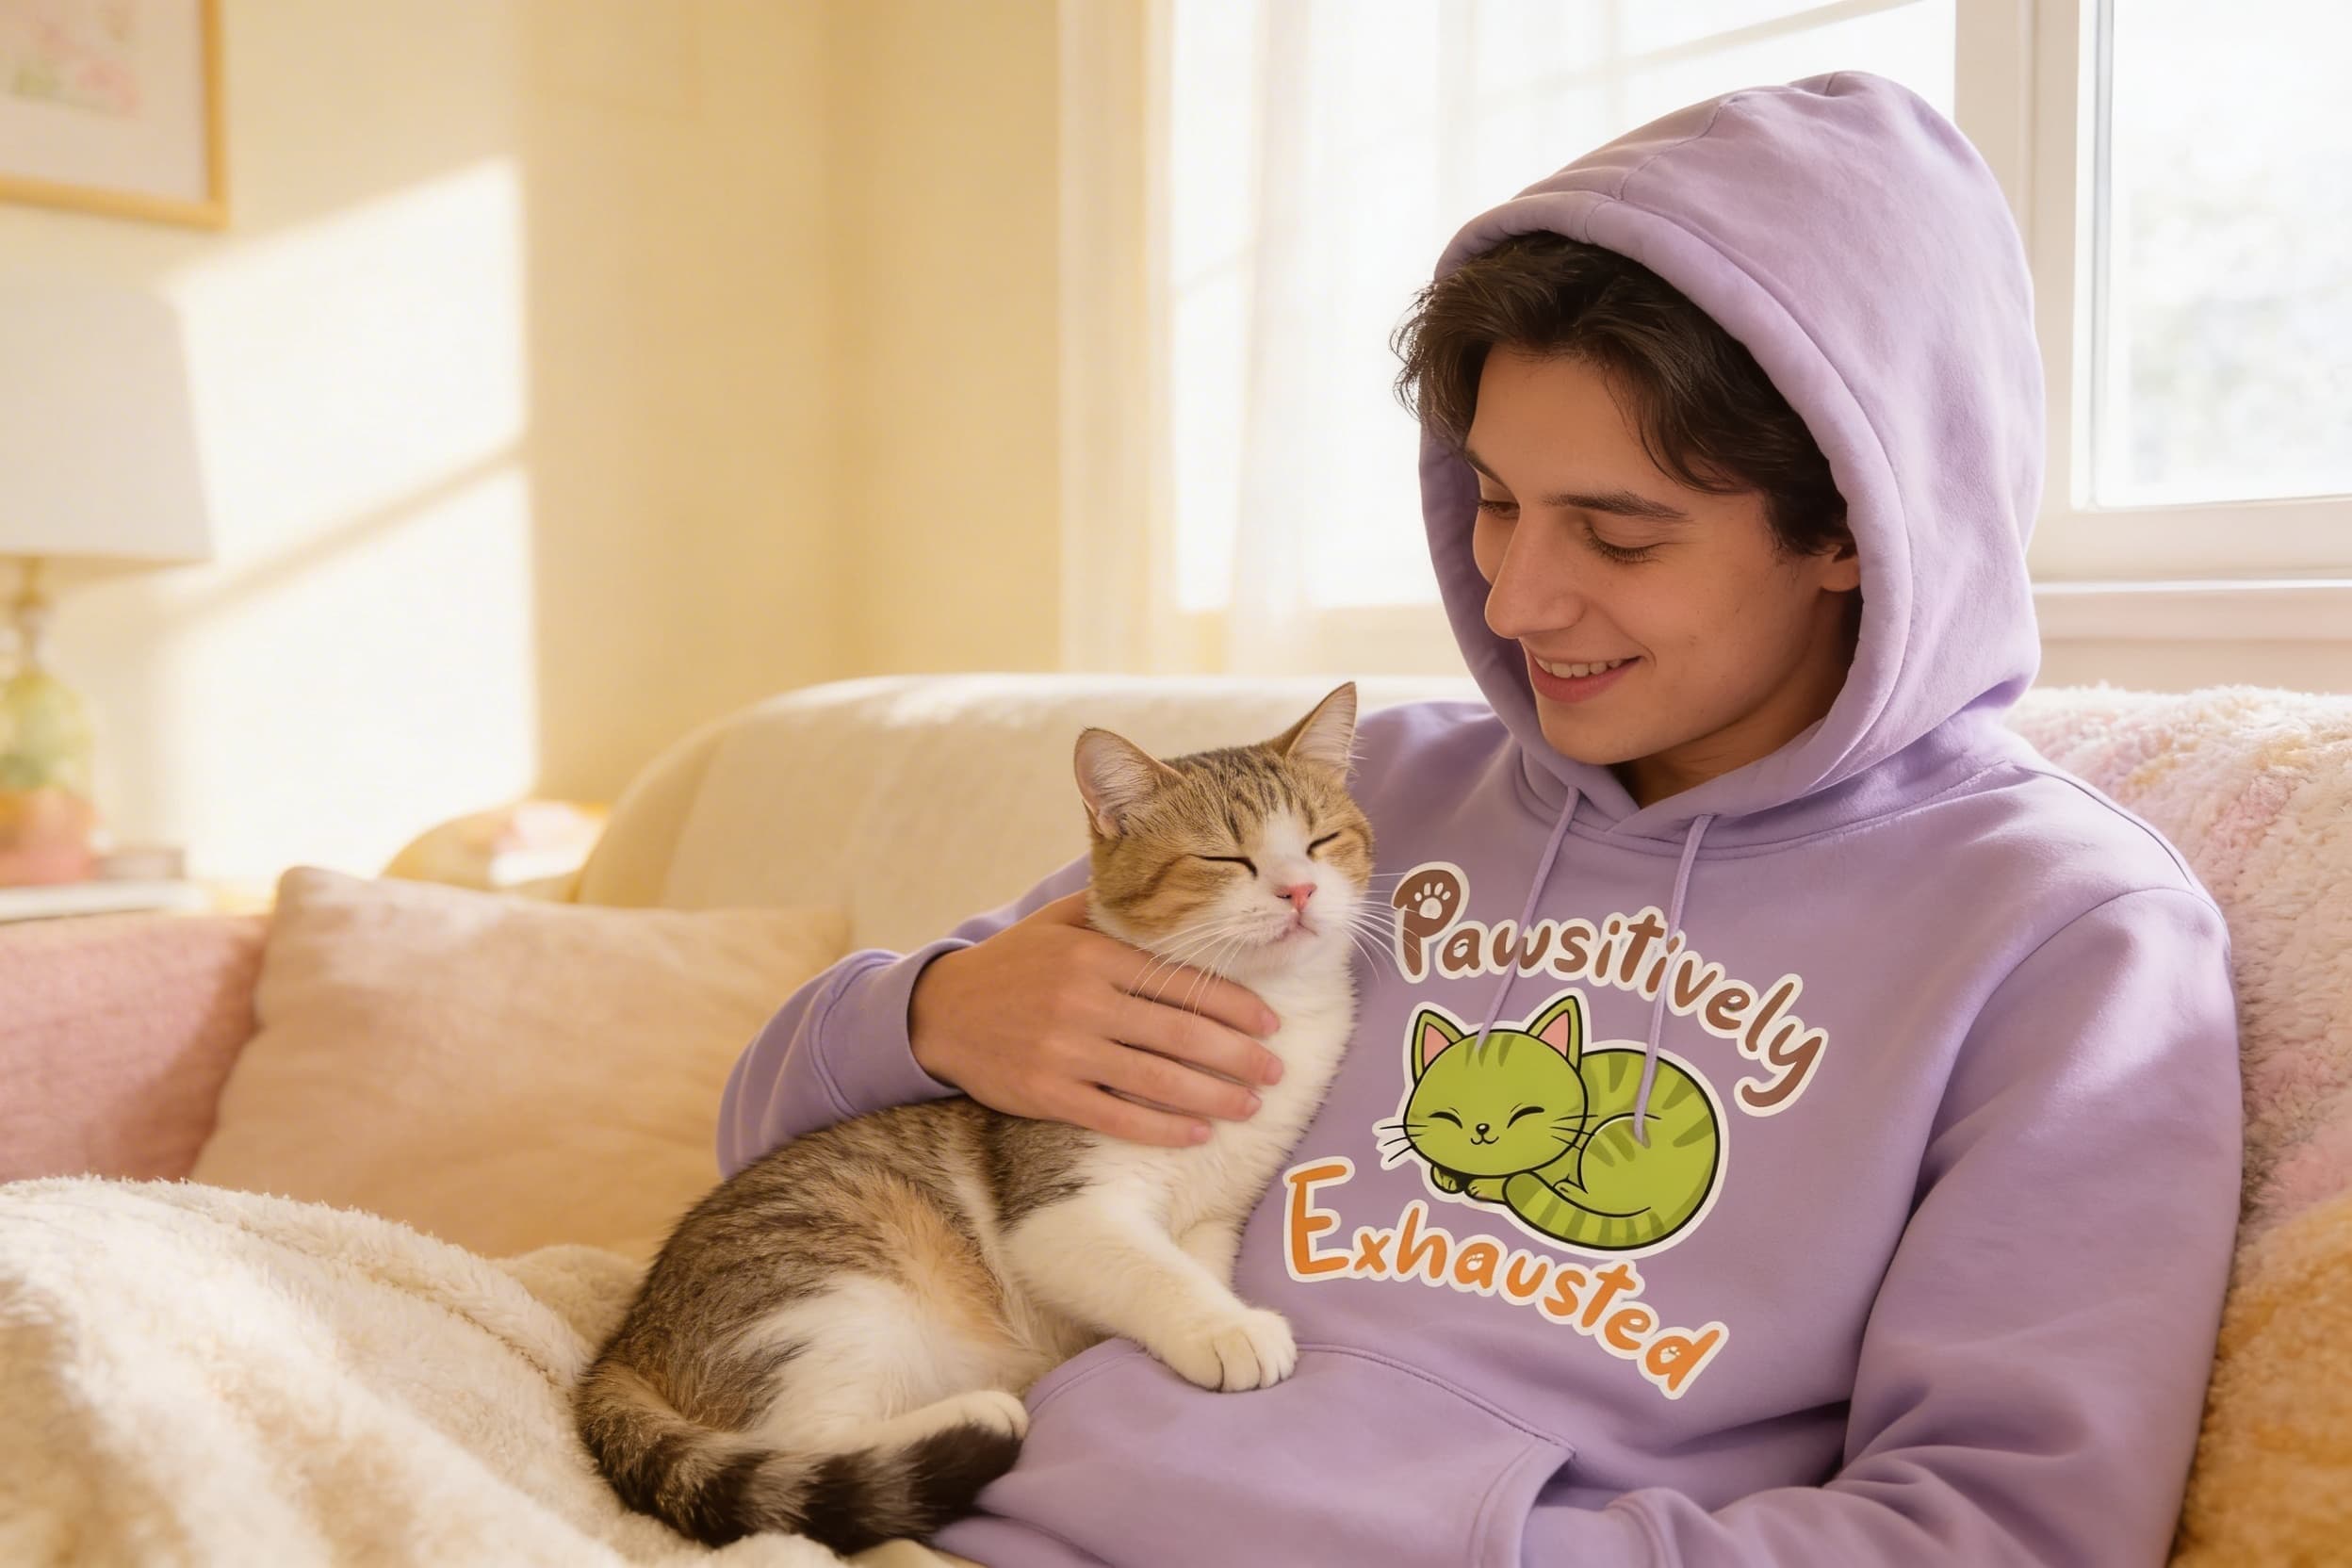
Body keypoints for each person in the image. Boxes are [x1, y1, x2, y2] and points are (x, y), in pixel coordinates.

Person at [718, 72, 2241, 1567]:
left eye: (1618, 531)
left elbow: (2009, 1527)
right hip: (970, 1508)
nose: (1514, 599)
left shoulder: (2065, 935)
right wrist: (930, 1013)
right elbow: (769, 1126)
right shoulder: (1352, 807)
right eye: (1495, 500)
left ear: (1853, 525)